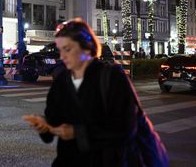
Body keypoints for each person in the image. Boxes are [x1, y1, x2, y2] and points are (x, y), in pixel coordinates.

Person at [23, 18, 140, 167]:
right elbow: (53, 122)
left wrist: (78, 133)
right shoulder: (61, 81)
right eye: (60, 50)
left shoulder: (112, 77)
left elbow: (126, 127)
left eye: (68, 49)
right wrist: (45, 126)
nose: (62, 56)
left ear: (86, 47)